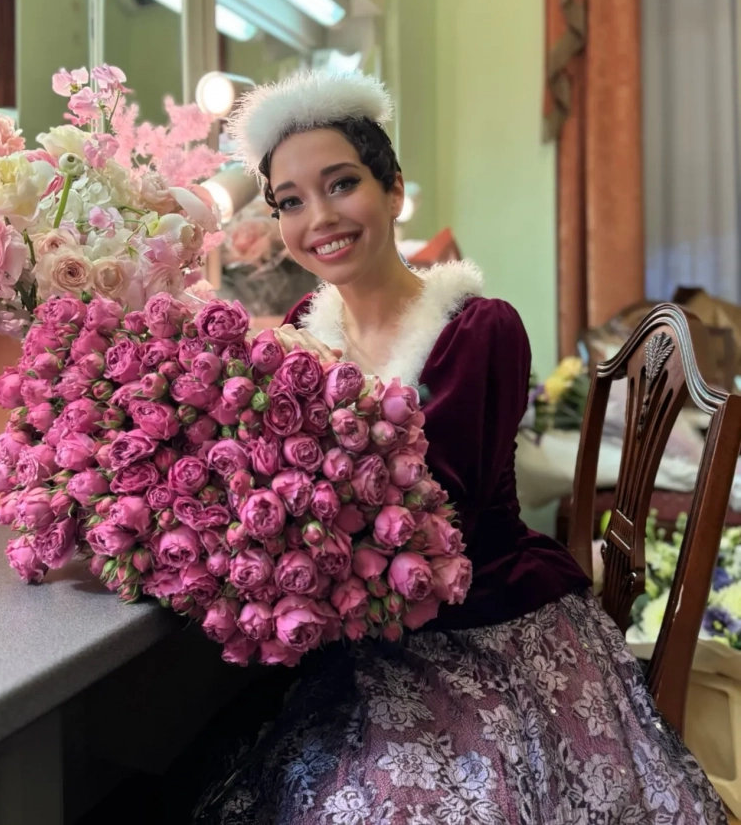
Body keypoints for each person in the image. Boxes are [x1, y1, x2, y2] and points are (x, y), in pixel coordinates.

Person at [193, 70, 725, 824]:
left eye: (341, 184)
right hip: (367, 639)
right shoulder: (303, 326)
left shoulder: (479, 329)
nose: (320, 218)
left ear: (393, 191)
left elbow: (437, 511)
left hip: (489, 627)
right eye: (291, 201)